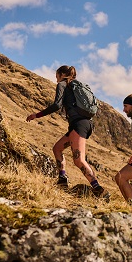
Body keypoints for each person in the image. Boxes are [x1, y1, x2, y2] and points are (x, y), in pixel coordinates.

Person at [26, 65, 109, 199]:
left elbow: (57, 105)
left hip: (79, 125)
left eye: (56, 75)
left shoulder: (63, 85)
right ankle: (62, 180)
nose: (55, 78)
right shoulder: (75, 86)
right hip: (82, 124)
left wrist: (37, 115)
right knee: (57, 148)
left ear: (61, 74)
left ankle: (99, 189)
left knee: (79, 160)